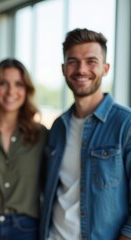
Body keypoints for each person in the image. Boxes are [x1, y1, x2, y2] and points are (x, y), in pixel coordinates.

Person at [40, 28, 131, 240]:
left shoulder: (125, 124)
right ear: (63, 69)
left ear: (105, 68)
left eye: (91, 61)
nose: (81, 69)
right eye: (73, 61)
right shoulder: (58, 127)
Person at [0, 58, 47, 240]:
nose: (11, 91)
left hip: (27, 230)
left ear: (26, 90)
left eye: (18, 84)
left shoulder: (41, 136)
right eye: (3, 83)